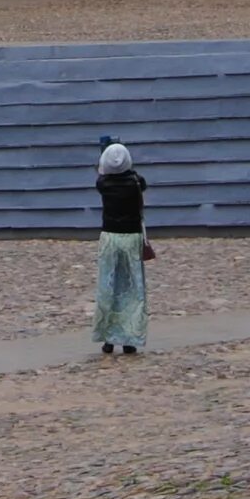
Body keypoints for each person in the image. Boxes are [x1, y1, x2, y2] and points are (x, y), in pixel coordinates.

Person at [94, 142, 148, 354]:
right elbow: (139, 179)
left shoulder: (103, 184)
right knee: (132, 289)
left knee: (109, 287)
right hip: (132, 237)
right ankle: (129, 338)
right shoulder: (137, 182)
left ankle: (108, 338)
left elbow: (101, 173)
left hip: (110, 237)